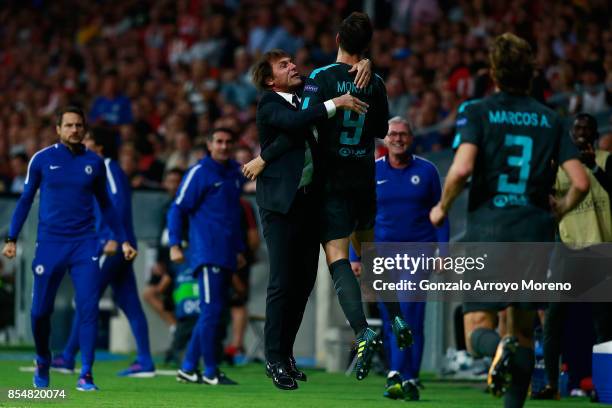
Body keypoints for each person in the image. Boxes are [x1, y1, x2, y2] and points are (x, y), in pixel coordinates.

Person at [429, 33, 589, 408]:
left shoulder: (480, 112)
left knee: (478, 330)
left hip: (491, 228)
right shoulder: (550, 118)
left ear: (495, 72)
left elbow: (462, 168)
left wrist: (441, 206)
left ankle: (497, 347)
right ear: (531, 71)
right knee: (521, 329)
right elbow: (580, 182)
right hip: (535, 233)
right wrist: (561, 209)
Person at [243, 49, 370, 391]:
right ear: (270, 79)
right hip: (280, 206)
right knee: (282, 282)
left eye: (291, 62)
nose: (293, 66)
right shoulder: (270, 103)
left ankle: (285, 355)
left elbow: (296, 130)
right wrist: (336, 104)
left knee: (303, 285)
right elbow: (295, 125)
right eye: (284, 65)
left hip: (309, 205)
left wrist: (364, 62)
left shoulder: (306, 100)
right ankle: (272, 358)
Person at [300, 12, 412, 381]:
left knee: (337, 256)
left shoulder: (320, 77)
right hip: (364, 177)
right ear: (365, 47)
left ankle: (362, 329)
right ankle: (395, 315)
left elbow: (307, 120)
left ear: (336, 38)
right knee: (370, 252)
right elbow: (381, 128)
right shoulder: (375, 81)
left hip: (333, 182)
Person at [2, 107, 137, 391]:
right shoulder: (41, 160)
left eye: (79, 126)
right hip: (50, 244)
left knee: (88, 308)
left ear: (84, 129)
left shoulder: (95, 163)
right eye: (69, 125)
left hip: (84, 244)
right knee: (39, 312)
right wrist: (11, 238)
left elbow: (107, 206)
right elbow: (25, 200)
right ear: (58, 129)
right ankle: (42, 359)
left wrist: (123, 239)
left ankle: (86, 373)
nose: (74, 130)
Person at [350, 116, 449, 400]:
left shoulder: (428, 171)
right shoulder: (371, 170)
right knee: (392, 315)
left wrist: (443, 252)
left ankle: (400, 374)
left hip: (418, 250)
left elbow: (440, 215)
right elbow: (359, 216)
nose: (398, 139)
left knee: (407, 313)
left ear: (412, 138)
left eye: (403, 134)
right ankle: (408, 379)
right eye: (393, 134)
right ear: (385, 138)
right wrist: (355, 255)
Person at [50, 127, 155, 377]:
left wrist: (111, 238)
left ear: (100, 146)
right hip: (118, 246)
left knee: (86, 298)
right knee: (129, 302)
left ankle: (66, 358)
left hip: (113, 247)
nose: (82, 141)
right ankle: (145, 360)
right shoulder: (99, 169)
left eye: (87, 139)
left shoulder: (107, 167)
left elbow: (115, 204)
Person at [534, 113, 612, 399]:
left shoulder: (606, 160)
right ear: (571, 133)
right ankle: (552, 385)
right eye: (577, 128)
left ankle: (605, 388)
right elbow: (542, 198)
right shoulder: (559, 166)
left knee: (603, 324)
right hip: (566, 248)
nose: (582, 133)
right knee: (554, 319)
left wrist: (594, 168)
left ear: (594, 133)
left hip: (602, 249)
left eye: (587, 128)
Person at [170, 128, 245, 385]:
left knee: (213, 313)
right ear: (209, 145)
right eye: (219, 142)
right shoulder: (199, 173)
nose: (224, 146)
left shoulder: (234, 174)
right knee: (211, 311)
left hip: (225, 253)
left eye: (228, 142)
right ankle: (211, 371)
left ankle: (189, 367)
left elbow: (234, 217)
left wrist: (238, 249)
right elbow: (177, 208)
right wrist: (174, 243)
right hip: (206, 252)